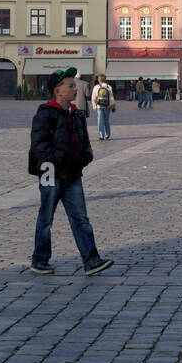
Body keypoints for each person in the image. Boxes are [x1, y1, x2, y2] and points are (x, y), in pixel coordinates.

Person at [29, 67, 113, 276]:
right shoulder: (45, 113)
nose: (75, 89)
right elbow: (40, 146)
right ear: (57, 90)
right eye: (71, 85)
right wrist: (67, 159)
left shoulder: (76, 114)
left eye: (74, 85)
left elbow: (84, 141)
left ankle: (91, 260)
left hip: (73, 174)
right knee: (46, 219)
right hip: (50, 173)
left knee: (80, 218)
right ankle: (40, 260)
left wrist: (86, 156)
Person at [92, 73, 115, 140]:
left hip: (99, 106)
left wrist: (94, 106)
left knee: (100, 120)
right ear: (105, 79)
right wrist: (113, 106)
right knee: (106, 120)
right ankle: (107, 135)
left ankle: (101, 135)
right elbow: (111, 98)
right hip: (107, 106)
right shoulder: (109, 87)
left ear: (99, 79)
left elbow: (93, 97)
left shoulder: (96, 87)